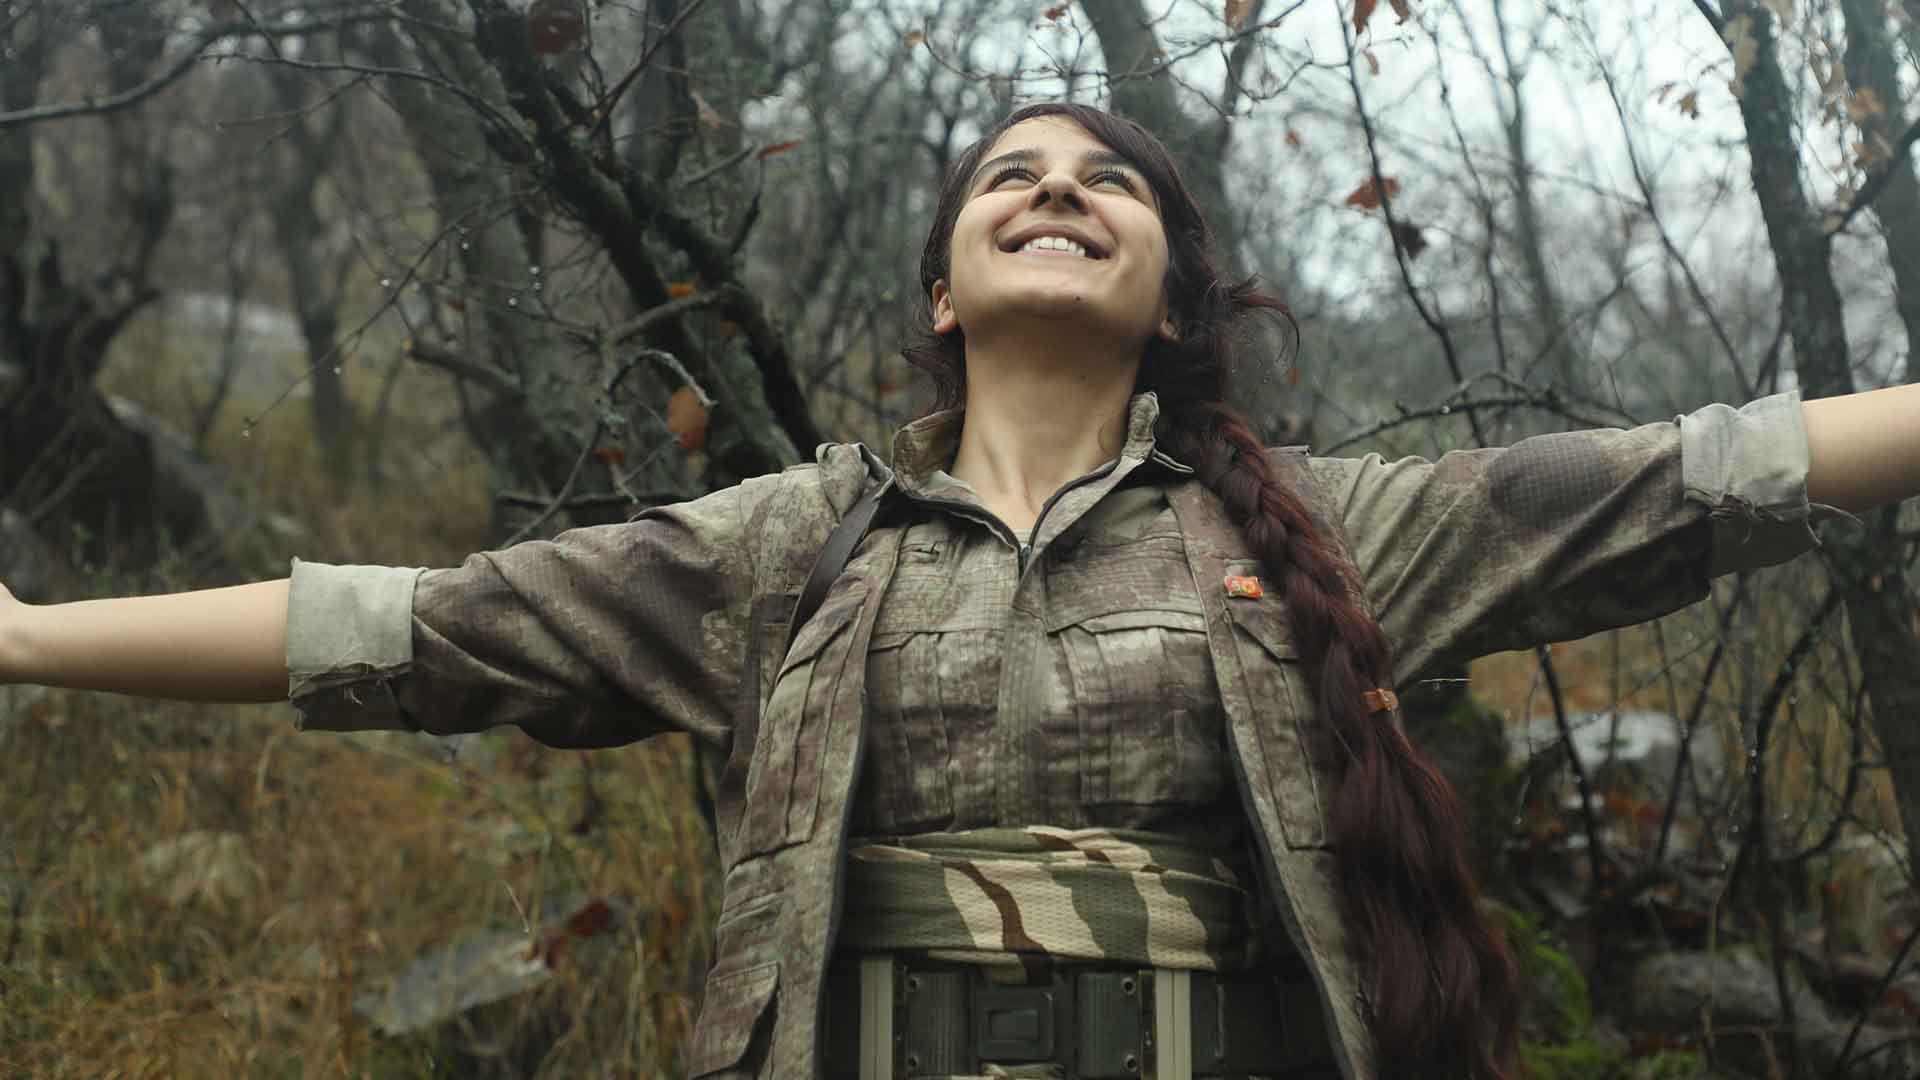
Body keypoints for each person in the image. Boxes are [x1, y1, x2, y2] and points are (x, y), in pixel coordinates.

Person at [2, 102, 1917, 1080]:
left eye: (1110, 179)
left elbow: (1692, 476)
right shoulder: (788, 548)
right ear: (943, 285)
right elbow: (405, 630)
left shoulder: (1323, 528)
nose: (1058, 188)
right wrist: (20, 640)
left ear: (1172, 297)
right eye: (1014, 171)